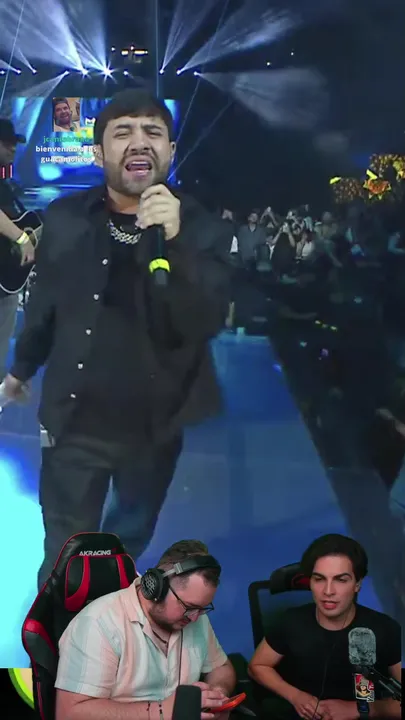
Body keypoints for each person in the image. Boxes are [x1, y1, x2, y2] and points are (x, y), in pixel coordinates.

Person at [3, 89, 232, 589]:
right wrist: (19, 371)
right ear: (98, 151)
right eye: (123, 132)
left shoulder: (202, 228)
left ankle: (108, 620)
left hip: (155, 427)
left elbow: (205, 320)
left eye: (153, 132)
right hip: (74, 422)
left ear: (171, 150)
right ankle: (60, 632)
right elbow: (45, 309)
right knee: (64, 552)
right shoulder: (65, 218)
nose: (139, 142)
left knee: (125, 544)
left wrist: (175, 242)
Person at [55, 539, 236, 720]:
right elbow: (69, 714)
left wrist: (216, 694)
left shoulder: (194, 618)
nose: (195, 617)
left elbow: (221, 667)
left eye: (202, 609)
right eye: (188, 607)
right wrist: (160, 711)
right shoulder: (99, 623)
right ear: (156, 587)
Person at [248, 534, 401, 720]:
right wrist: (296, 696)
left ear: (357, 584)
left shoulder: (385, 629)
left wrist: (362, 709)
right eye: (319, 579)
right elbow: (257, 666)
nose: (328, 591)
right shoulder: (291, 621)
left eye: (341, 580)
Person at [0, 119, 35, 383]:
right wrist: (22, 238)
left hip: (6, 279)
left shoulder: (6, 184)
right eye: (7, 143)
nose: (13, 148)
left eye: (15, 143)